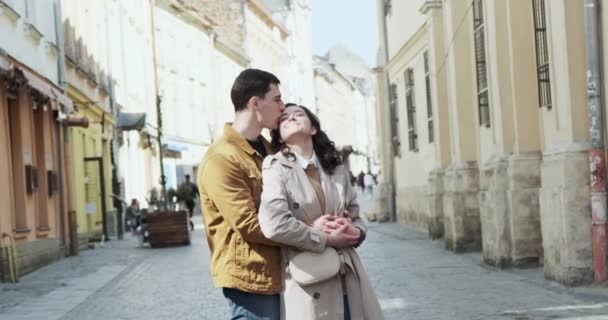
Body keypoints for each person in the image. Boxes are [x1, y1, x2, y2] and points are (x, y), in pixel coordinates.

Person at [259, 104, 383, 320]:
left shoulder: (335, 166)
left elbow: (355, 216)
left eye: (298, 114)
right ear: (279, 135)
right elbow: (274, 224)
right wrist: (323, 237)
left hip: (348, 276)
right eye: (284, 118)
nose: (291, 118)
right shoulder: (275, 166)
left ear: (313, 128)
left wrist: (355, 231)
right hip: (310, 278)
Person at [197, 68, 285, 320]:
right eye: (277, 99)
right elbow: (249, 224)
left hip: (278, 270)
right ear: (255, 103)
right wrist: (308, 233)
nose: (282, 106)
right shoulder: (222, 157)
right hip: (251, 276)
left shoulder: (269, 149)